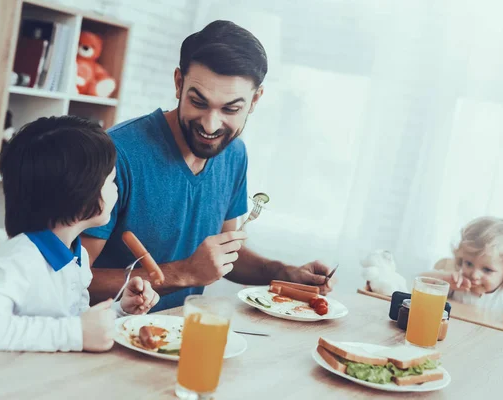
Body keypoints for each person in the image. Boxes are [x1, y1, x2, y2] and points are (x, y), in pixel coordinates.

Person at [81, 20, 335, 311]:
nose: (210, 125)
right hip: (103, 338)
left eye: (230, 109)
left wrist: (282, 272)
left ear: (255, 100)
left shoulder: (234, 153)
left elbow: (223, 256)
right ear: (179, 83)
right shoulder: (115, 154)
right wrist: (184, 272)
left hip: (177, 337)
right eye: (199, 102)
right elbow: (68, 281)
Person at [0, 116, 159, 353]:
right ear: (78, 193)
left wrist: (119, 311)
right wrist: (76, 333)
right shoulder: (20, 259)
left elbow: (70, 321)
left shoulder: (76, 255)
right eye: (110, 181)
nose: (117, 189)